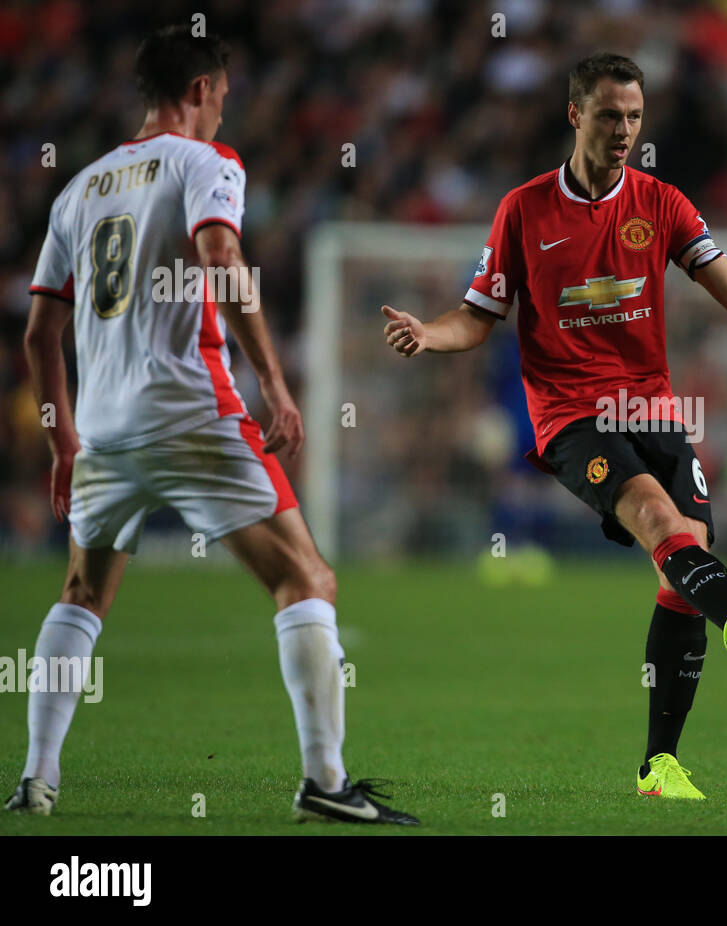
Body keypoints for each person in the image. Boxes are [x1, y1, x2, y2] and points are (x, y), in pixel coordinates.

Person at [382, 53, 727, 800]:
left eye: (636, 117)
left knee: (685, 565)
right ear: (576, 114)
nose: (626, 131)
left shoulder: (664, 204)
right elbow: (476, 316)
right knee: (657, 517)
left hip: (653, 410)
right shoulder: (523, 211)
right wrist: (428, 333)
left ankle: (660, 766)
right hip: (571, 416)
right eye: (612, 115)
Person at [9, 25, 416, 825]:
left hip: (101, 429)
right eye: (222, 97)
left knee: (81, 595)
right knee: (306, 580)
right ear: (199, 91)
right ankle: (325, 783)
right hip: (194, 409)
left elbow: (37, 335)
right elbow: (223, 258)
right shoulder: (205, 163)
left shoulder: (78, 189)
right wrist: (273, 378)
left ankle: (35, 780)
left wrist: (63, 444)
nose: (224, 113)